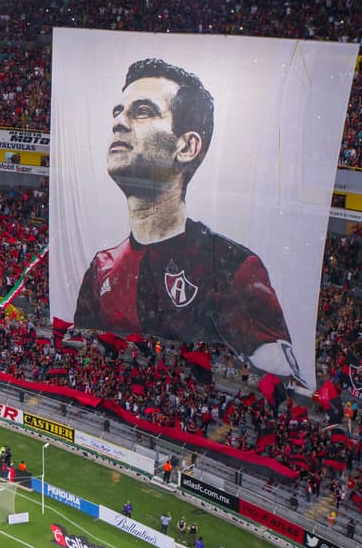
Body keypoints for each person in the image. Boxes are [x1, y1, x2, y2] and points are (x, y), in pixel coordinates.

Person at [72, 57, 301, 383]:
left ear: (187, 146)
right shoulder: (100, 268)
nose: (119, 123)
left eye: (142, 111)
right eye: (117, 112)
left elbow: (280, 379)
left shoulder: (232, 266)